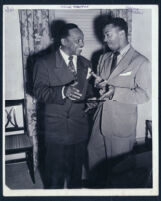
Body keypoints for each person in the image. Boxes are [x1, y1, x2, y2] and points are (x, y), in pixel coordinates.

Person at [87, 17, 151, 187]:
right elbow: (103, 87)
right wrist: (99, 86)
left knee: (119, 172)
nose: (105, 39)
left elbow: (144, 95)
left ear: (122, 33)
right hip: (99, 121)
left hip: (121, 124)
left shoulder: (141, 62)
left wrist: (115, 91)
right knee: (94, 163)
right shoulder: (103, 58)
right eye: (104, 36)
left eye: (108, 35)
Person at [33, 23, 93, 189]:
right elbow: (39, 91)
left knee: (76, 177)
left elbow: (87, 90)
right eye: (77, 40)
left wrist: (92, 98)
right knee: (55, 179)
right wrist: (62, 91)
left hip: (79, 128)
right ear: (64, 41)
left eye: (83, 39)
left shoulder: (86, 63)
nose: (82, 44)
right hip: (56, 129)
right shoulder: (43, 62)